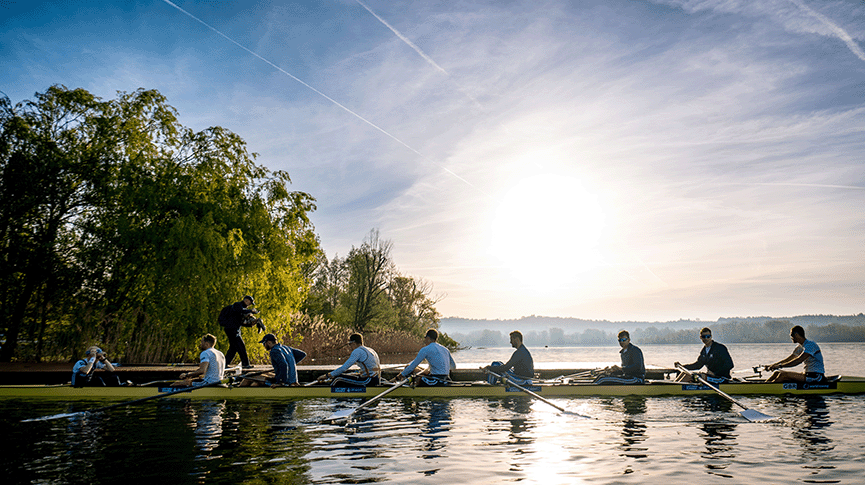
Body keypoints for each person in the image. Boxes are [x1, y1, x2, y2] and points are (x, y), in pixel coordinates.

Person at [316, 333, 381, 387]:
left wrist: (326, 376)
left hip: (368, 380)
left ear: (354, 343)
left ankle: (325, 392)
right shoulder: (370, 349)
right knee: (341, 376)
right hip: (375, 379)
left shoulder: (357, 351)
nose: (350, 346)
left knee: (337, 378)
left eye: (350, 344)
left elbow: (344, 368)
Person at [222, 295, 262, 369]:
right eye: (249, 303)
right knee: (241, 346)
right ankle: (245, 364)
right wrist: (251, 311)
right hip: (232, 329)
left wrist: (252, 323)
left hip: (234, 329)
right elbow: (240, 311)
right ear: (246, 300)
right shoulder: (237, 305)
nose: (249, 305)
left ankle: (224, 364)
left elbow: (241, 322)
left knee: (233, 348)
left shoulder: (242, 309)